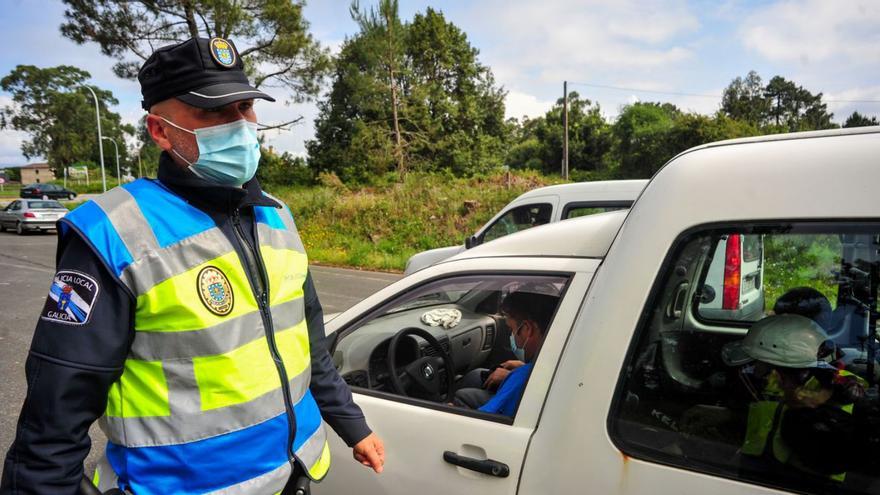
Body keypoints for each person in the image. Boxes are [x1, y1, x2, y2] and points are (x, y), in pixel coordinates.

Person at [0, 37, 384, 495]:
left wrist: (350, 423)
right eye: (214, 113)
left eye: (245, 107)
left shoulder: (276, 216)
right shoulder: (113, 233)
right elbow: (55, 414)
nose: (240, 126)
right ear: (160, 131)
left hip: (292, 476)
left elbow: (308, 343)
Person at [722, 314, 865, 482]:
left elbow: (854, 389)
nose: (755, 367)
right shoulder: (768, 379)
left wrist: (826, 394)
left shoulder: (829, 379)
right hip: (759, 457)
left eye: (760, 362)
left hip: (814, 470)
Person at [454, 291, 556, 416]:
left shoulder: (520, 378)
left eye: (511, 329)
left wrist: (449, 410)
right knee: (476, 375)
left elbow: (483, 418)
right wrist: (522, 366)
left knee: (460, 396)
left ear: (527, 329)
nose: (511, 335)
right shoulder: (554, 358)